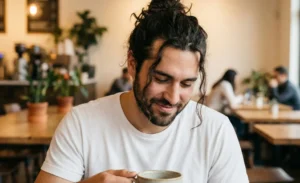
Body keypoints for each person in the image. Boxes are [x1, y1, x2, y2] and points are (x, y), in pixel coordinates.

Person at [35, 0, 248, 182]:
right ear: (132, 64)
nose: (173, 98)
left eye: (186, 84)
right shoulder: (81, 124)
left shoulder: (216, 131)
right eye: (161, 78)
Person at [206, 69, 244, 138]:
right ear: (232, 77)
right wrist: (241, 97)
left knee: (237, 121)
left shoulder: (221, 84)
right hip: (214, 114)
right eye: (236, 78)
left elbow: (228, 102)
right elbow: (233, 103)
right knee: (239, 123)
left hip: (212, 112)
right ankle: (235, 142)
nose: (236, 81)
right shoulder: (225, 85)